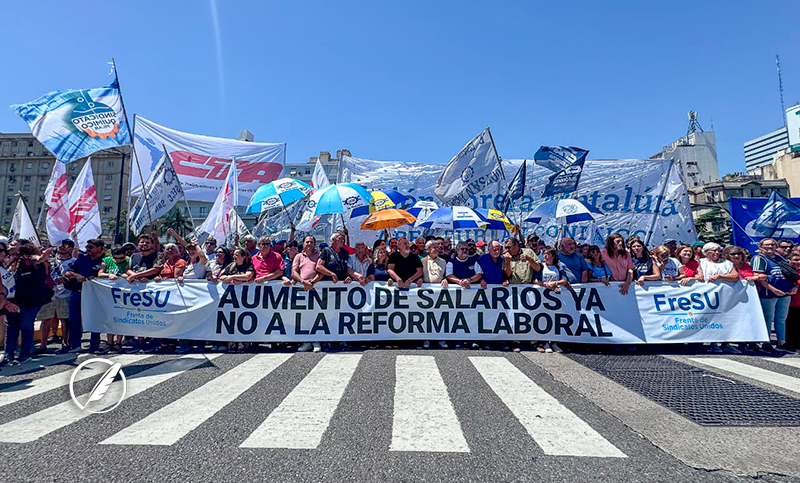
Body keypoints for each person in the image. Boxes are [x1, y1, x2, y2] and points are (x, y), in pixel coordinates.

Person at [0, 242, 52, 366]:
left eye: (13, 244)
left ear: (22, 246)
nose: (10, 246)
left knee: (25, 324)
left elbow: (38, 259)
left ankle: (25, 354)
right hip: (15, 301)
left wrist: (44, 256)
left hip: (31, 300)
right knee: (12, 326)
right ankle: (8, 356)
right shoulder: (9, 261)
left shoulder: (29, 258)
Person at [751, 238, 797, 353]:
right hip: (768, 293)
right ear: (761, 247)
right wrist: (773, 289)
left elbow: (792, 274)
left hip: (785, 292)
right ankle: (766, 342)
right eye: (766, 245)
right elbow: (759, 277)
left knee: (781, 318)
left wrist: (794, 287)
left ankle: (782, 342)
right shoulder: (759, 258)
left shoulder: (780, 258)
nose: (770, 247)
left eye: (772, 245)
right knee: (768, 318)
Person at [64, 238, 106, 353]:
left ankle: (94, 345)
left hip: (96, 296)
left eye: (91, 247)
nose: (88, 249)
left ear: (100, 248)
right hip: (78, 293)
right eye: (87, 247)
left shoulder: (106, 261)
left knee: (95, 319)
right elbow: (68, 273)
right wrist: (77, 275)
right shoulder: (82, 259)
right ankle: (74, 344)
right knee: (75, 320)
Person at [38, 239, 76, 354]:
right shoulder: (50, 260)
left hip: (66, 293)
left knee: (64, 319)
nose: (62, 247)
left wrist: (68, 277)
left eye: (66, 245)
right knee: (46, 319)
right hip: (49, 293)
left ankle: (65, 343)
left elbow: (77, 275)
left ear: (71, 249)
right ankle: (43, 345)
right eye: (60, 245)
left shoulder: (74, 261)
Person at [533, 247, 568, 353]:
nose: (545, 256)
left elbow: (565, 279)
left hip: (556, 298)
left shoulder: (558, 266)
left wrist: (555, 283)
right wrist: (546, 285)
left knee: (555, 319)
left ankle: (553, 342)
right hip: (542, 297)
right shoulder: (541, 266)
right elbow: (535, 280)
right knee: (543, 319)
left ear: (553, 256)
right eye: (544, 254)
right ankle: (543, 342)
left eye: (548, 254)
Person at [97, 246, 131, 352]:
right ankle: (109, 341)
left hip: (123, 294)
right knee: (110, 318)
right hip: (109, 294)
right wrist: (109, 275)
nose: (119, 260)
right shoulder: (106, 261)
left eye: (121, 258)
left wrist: (125, 275)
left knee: (122, 318)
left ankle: (119, 342)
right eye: (117, 258)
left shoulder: (129, 260)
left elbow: (129, 271)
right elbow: (100, 273)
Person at [292, 236, 323, 353]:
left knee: (316, 315)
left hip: (317, 289)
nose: (309, 243)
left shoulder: (319, 255)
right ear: (303, 244)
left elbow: (321, 271)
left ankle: (316, 341)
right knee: (304, 316)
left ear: (315, 244)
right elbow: (293, 272)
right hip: (302, 289)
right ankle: (306, 341)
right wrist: (303, 282)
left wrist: (312, 282)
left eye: (311, 242)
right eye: (307, 242)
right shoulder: (298, 256)